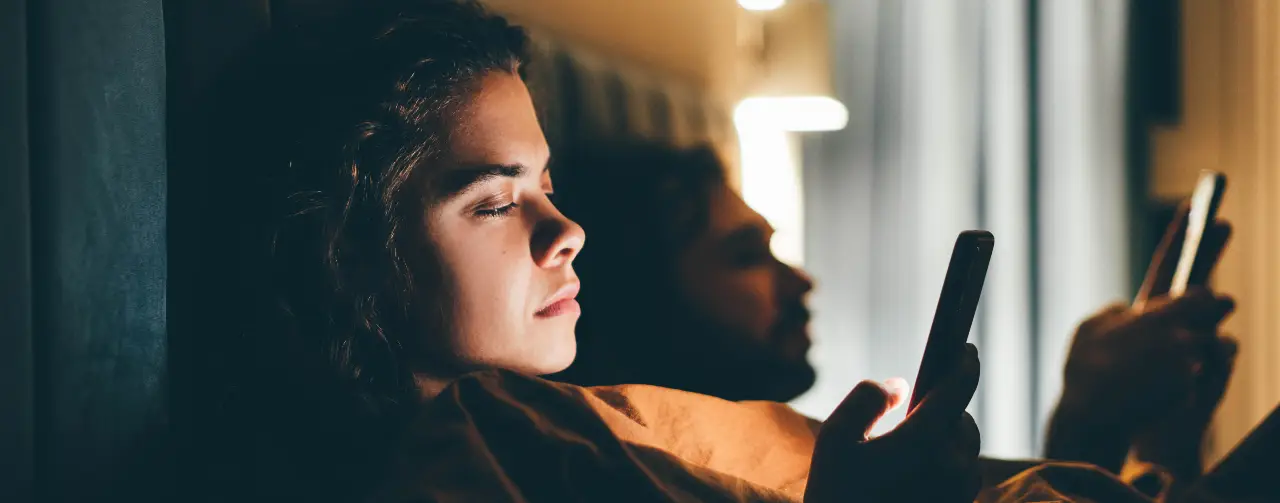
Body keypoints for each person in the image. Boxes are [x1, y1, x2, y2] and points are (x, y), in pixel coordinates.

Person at [197, 1, 1248, 502]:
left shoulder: (581, 418)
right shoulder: (451, 458)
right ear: (348, 254)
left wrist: (1124, 433)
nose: (566, 232)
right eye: (492, 200)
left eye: (548, 187)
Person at [548, 140, 1239, 491]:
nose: (799, 278)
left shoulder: (782, 451)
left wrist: (1146, 435)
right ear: (643, 287)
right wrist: (1099, 421)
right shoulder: (615, 463)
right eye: (746, 254)